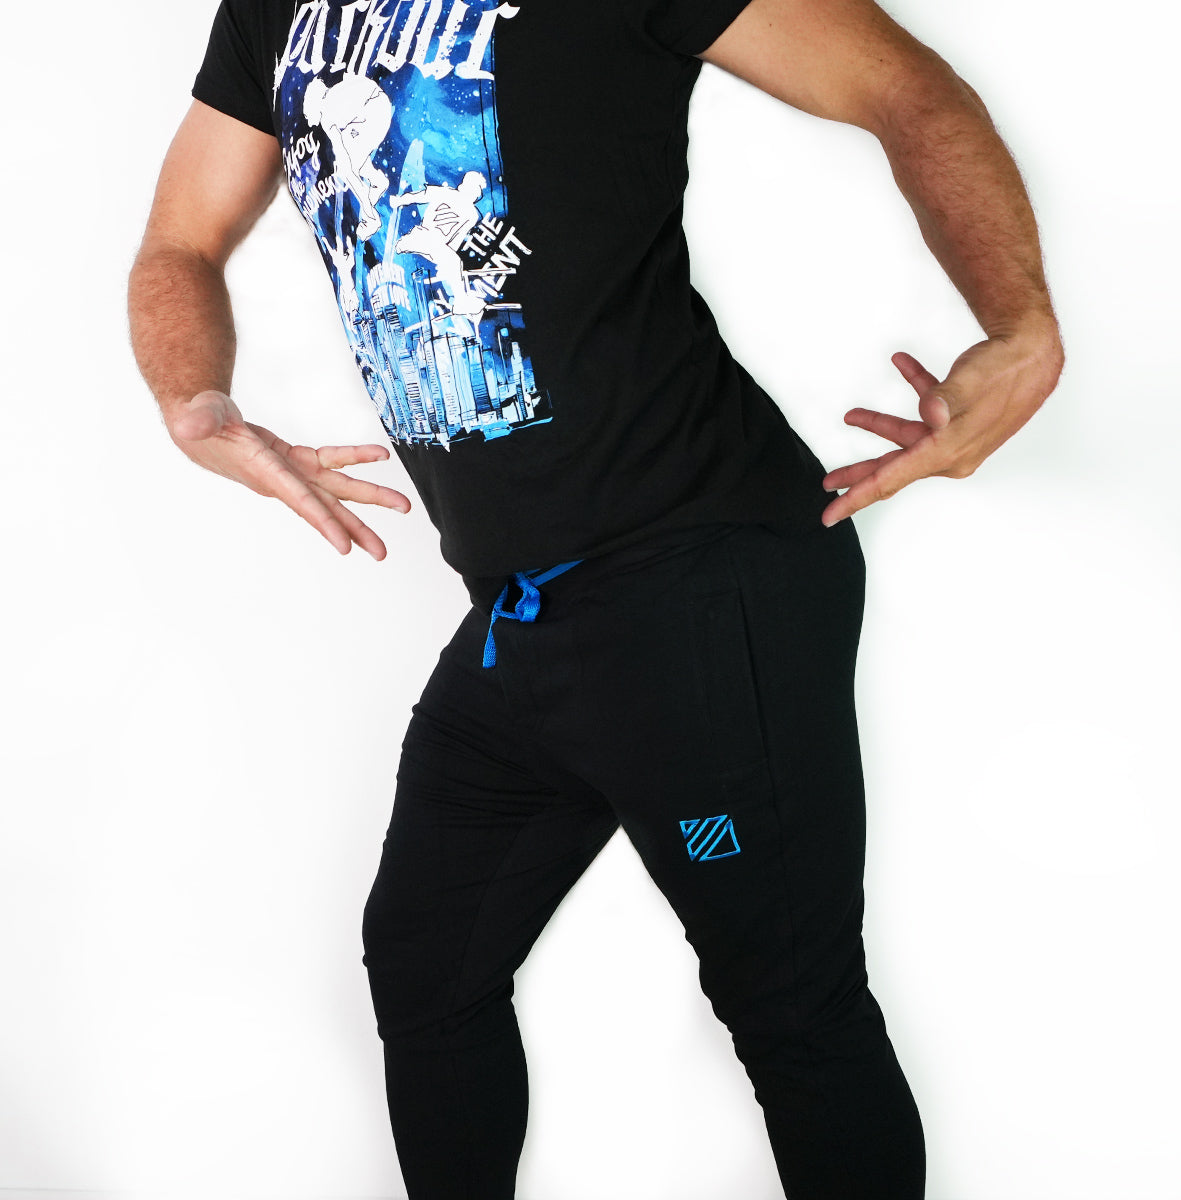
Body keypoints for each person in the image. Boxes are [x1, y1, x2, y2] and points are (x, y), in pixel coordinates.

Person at [127, 0, 1064, 1196]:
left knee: (795, 1011)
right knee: (425, 968)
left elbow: (905, 86)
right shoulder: (276, 7)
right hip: (520, 611)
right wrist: (194, 401)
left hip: (697, 579)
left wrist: (1018, 322)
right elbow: (182, 238)